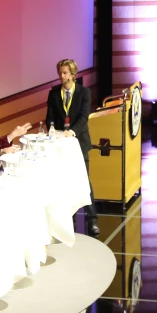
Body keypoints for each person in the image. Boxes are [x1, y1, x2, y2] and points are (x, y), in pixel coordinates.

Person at [45, 58, 99, 235]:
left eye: (65, 73)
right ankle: (68, 221)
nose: (61, 76)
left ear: (73, 74)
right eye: (60, 73)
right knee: (64, 181)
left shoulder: (84, 92)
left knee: (85, 180)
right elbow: (50, 118)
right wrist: (53, 129)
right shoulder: (54, 93)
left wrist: (72, 132)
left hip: (78, 141)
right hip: (60, 144)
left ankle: (92, 220)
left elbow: (84, 117)